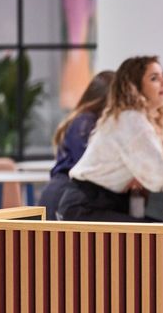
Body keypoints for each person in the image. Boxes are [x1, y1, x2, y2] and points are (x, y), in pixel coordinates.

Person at [57, 56, 163, 221]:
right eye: (154, 78)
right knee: (162, 236)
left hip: (86, 204)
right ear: (134, 86)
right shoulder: (132, 120)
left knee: (161, 233)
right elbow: (161, 176)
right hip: (87, 208)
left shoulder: (126, 117)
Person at [38, 70, 115, 220]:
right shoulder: (85, 122)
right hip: (64, 195)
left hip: (67, 194)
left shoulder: (87, 121)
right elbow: (89, 165)